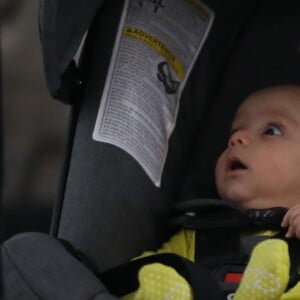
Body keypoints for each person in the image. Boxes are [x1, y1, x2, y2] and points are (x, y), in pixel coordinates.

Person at [123, 85, 300, 300]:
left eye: (271, 131)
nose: (238, 138)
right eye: (233, 133)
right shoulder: (200, 234)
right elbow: (142, 272)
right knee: (155, 277)